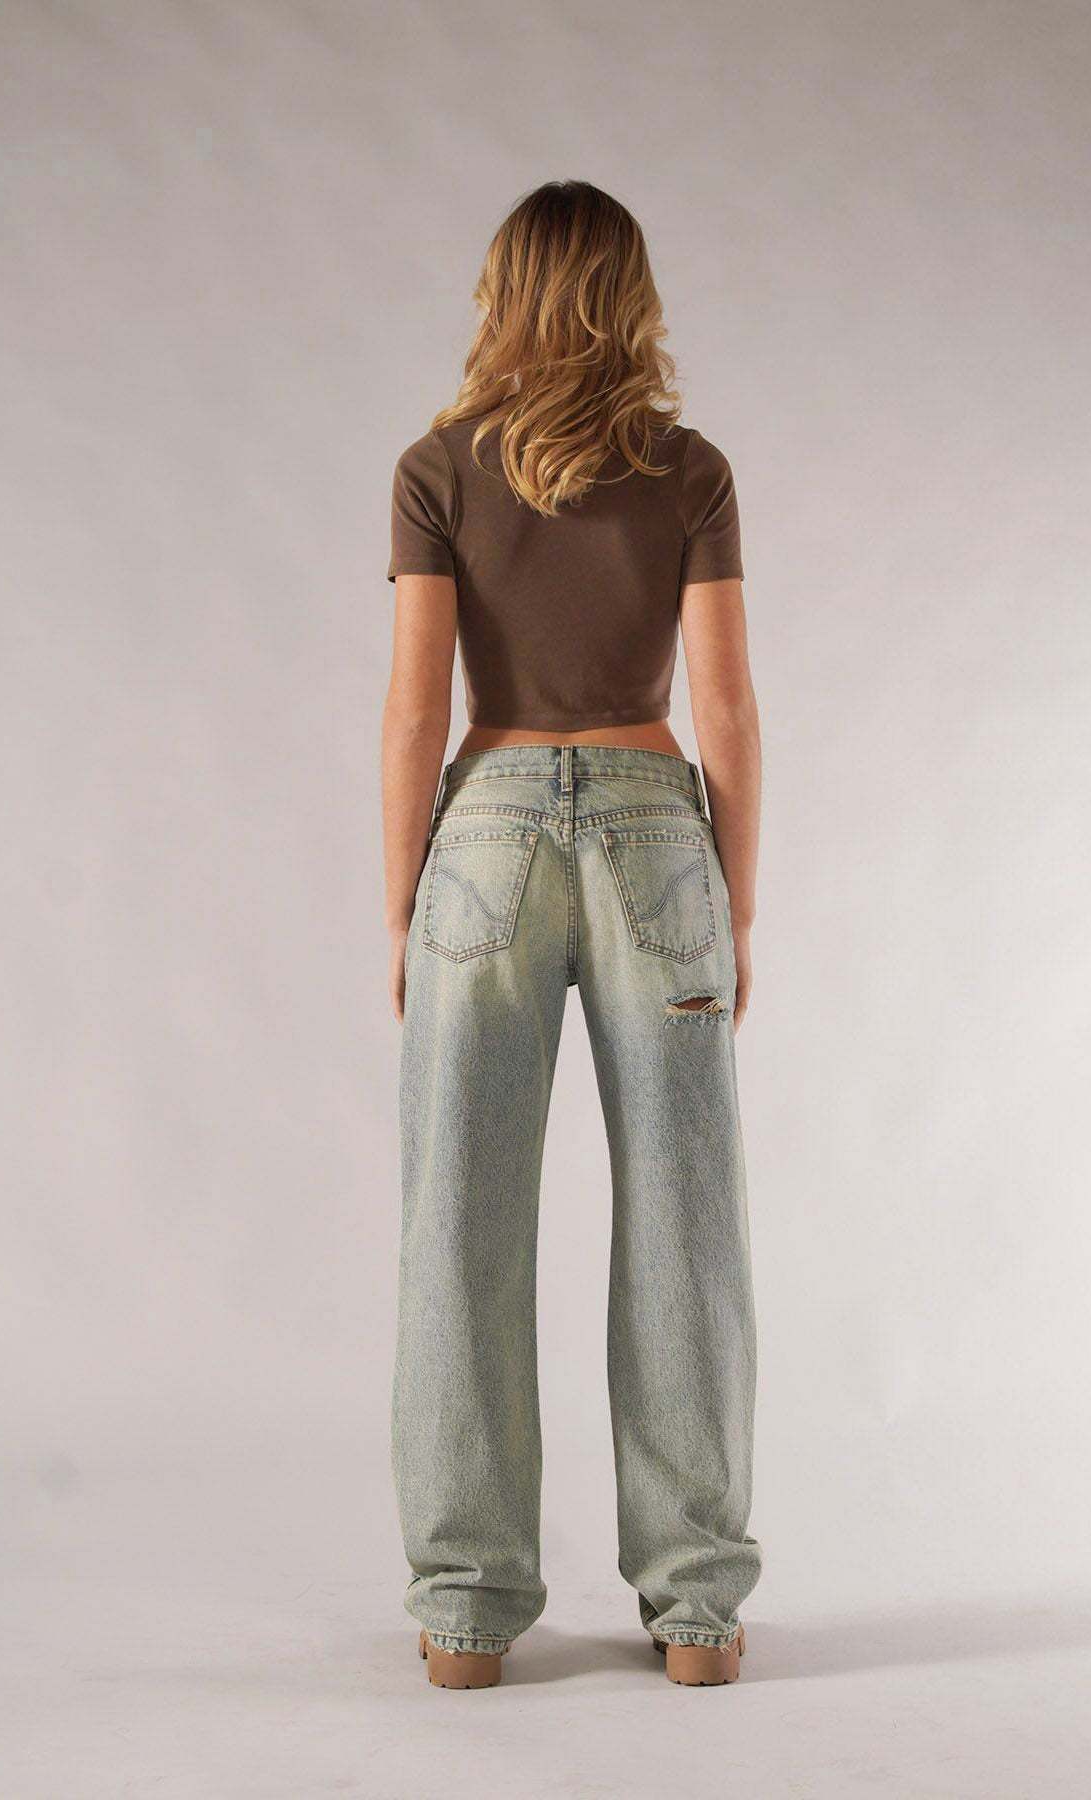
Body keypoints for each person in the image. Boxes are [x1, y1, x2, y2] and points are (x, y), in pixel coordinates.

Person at [382, 180, 761, 1689]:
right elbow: (725, 709)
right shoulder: (689, 469)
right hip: (658, 830)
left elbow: (416, 710)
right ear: (628, 297)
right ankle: (697, 1610)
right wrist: (738, 906)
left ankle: (464, 1615)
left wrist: (402, 904)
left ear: (505, 292)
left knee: (457, 1221)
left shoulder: (437, 469)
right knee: (687, 1220)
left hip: (483, 833)